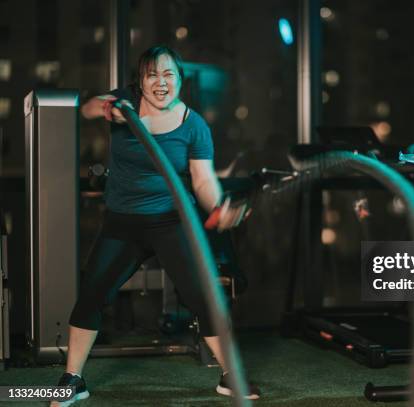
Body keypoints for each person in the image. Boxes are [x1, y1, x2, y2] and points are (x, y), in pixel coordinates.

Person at [51, 45, 259, 406]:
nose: (161, 83)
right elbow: (84, 107)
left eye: (169, 75)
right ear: (140, 81)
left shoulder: (194, 125)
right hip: (122, 223)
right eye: (152, 75)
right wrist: (106, 107)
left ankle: (230, 374)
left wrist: (219, 206)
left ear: (180, 80)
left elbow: (203, 180)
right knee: (92, 294)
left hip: (172, 222)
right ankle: (73, 378)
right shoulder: (124, 102)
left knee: (204, 299)